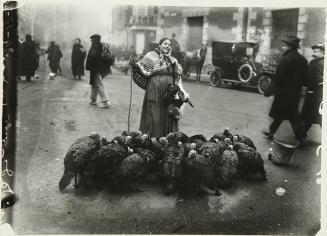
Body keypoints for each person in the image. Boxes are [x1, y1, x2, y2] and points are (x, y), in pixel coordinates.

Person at [263, 36, 308, 145]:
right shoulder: (303, 60)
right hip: (295, 93)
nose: (282, 48)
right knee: (282, 114)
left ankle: (301, 138)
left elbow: (278, 78)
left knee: (291, 116)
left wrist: (268, 90)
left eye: (284, 45)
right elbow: (305, 79)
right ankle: (271, 132)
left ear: (289, 47)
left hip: (283, 93)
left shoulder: (286, 60)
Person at [137, 37, 183, 138]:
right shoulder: (151, 55)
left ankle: (167, 137)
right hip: (154, 89)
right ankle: (153, 136)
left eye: (169, 45)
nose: (167, 46)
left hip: (169, 92)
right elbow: (141, 68)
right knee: (154, 113)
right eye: (165, 44)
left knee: (168, 113)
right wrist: (134, 65)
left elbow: (177, 73)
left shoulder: (173, 59)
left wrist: (170, 58)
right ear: (160, 45)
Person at [301, 42, 324, 138]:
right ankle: (301, 134)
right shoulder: (317, 62)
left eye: (316, 51)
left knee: (316, 117)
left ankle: (301, 135)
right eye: (313, 51)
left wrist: (311, 88)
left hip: (315, 94)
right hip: (315, 93)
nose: (313, 53)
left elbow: (319, 80)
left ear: (322, 52)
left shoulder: (318, 63)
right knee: (311, 117)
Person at [85, 34, 111, 108]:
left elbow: (93, 56)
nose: (91, 41)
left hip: (96, 68)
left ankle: (106, 101)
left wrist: (89, 64)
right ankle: (93, 99)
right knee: (95, 83)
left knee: (98, 84)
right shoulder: (101, 46)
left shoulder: (95, 46)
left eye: (92, 39)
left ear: (94, 40)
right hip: (101, 68)